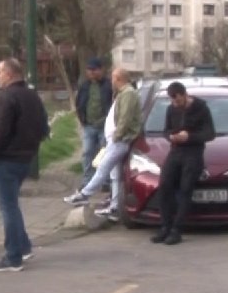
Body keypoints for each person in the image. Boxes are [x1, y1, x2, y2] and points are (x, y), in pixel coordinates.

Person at [0, 58, 48, 272]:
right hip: (24, 158)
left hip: (5, 159)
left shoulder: (7, 97)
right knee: (12, 205)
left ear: (9, 74)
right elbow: (43, 128)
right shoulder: (33, 96)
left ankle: (13, 256)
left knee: (8, 207)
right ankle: (24, 245)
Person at [63, 67, 142, 222]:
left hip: (119, 140)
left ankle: (84, 194)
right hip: (116, 139)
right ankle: (114, 207)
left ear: (119, 79)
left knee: (103, 168)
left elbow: (125, 118)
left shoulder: (128, 94)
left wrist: (118, 135)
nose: (111, 81)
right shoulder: (123, 94)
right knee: (115, 175)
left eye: (113, 78)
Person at [153, 82, 215, 245]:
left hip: (193, 152)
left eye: (177, 100)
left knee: (186, 188)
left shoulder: (201, 108)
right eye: (172, 100)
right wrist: (171, 137)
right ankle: (165, 226)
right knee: (164, 185)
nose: (175, 103)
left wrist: (190, 136)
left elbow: (210, 133)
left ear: (184, 94)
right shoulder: (171, 109)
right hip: (176, 151)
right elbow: (166, 130)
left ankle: (177, 229)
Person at [75, 58, 113, 184]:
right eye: (89, 70)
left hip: (104, 126)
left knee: (104, 154)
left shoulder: (109, 85)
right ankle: (87, 180)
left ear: (101, 70)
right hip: (89, 126)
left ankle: (105, 181)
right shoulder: (84, 86)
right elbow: (79, 103)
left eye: (94, 70)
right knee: (87, 153)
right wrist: (82, 119)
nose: (91, 72)